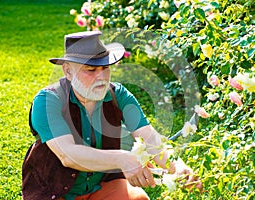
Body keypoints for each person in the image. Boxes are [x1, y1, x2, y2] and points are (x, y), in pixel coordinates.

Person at [22, 31, 202, 200]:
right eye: (90, 70)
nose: (101, 77)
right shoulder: (47, 101)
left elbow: (149, 137)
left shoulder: (119, 95)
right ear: (68, 71)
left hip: (100, 186)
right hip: (53, 192)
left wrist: (176, 166)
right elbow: (68, 155)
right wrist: (122, 159)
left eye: (104, 68)